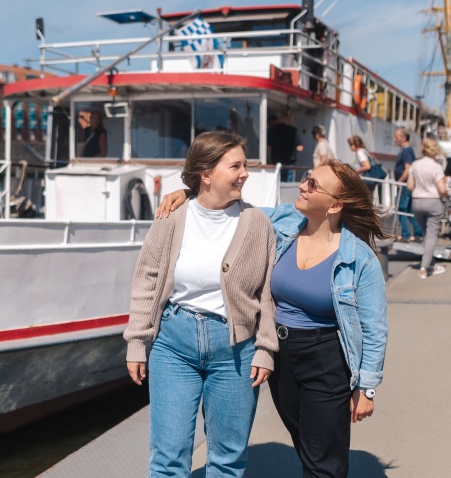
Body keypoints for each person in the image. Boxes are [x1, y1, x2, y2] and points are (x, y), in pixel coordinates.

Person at [156, 162, 388, 478]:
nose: (304, 185)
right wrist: (189, 193)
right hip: (280, 354)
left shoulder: (359, 259)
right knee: (306, 442)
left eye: (313, 184)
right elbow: (231, 209)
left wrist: (366, 388)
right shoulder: (283, 220)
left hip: (326, 359)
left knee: (324, 460)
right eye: (306, 177)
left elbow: (374, 327)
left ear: (334, 205)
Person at [124, 131, 277, 478]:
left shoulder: (257, 223)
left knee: (227, 459)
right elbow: (146, 279)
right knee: (168, 458)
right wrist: (136, 342)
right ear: (206, 174)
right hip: (173, 345)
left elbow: (268, 291)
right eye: (235, 165)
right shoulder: (172, 216)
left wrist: (266, 347)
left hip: (236, 350)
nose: (245, 173)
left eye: (245, 165)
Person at [407, 138, 449, 278]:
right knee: (431, 236)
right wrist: (448, 193)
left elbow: (410, 186)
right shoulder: (436, 166)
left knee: (426, 234)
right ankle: (424, 268)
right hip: (433, 202)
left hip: (417, 202)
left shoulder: (415, 164)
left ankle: (431, 263)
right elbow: (442, 189)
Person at [393, 128, 423, 242]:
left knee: (402, 208)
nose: (394, 139)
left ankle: (405, 234)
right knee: (409, 210)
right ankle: (418, 233)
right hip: (406, 184)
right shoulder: (405, 150)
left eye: (397, 137)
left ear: (404, 138)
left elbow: (408, 168)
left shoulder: (406, 151)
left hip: (405, 185)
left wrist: (400, 181)